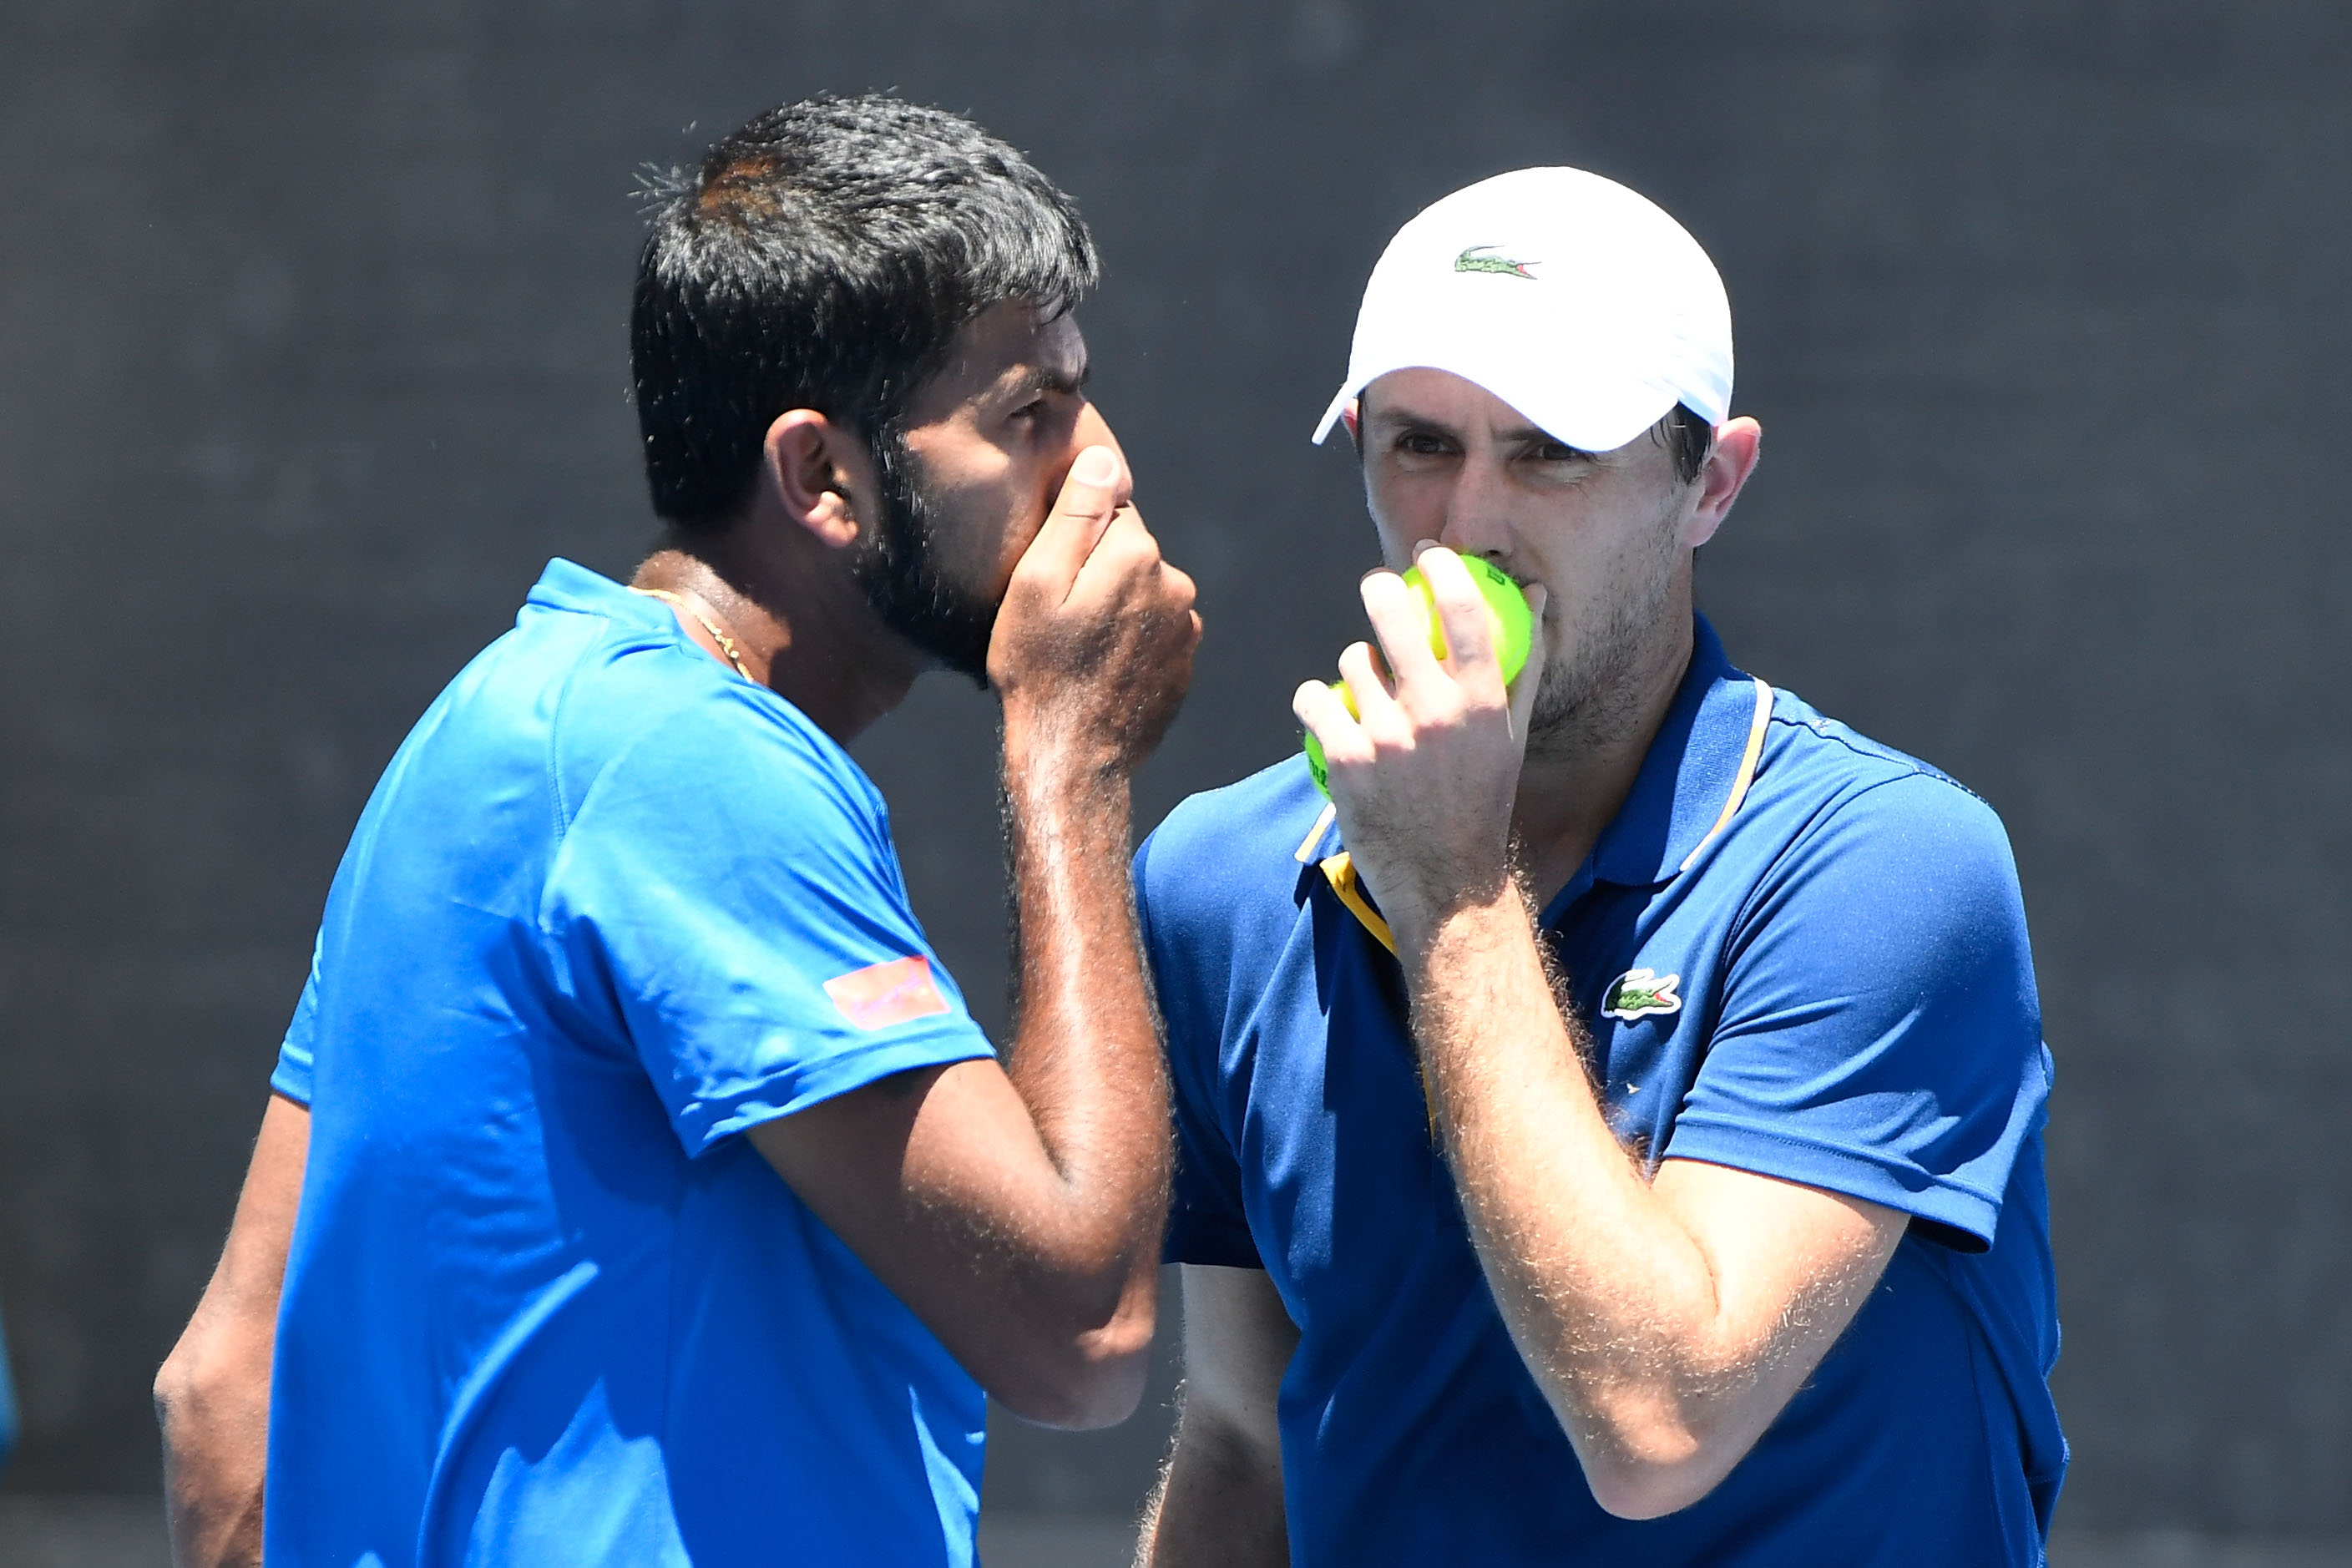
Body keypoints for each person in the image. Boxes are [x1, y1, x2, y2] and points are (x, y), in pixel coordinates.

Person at [151, 94, 1199, 1567]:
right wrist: (1070, 758)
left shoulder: (503, 727)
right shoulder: (685, 768)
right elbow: (1081, 1331)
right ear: (820, 478)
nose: (1100, 472)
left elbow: (221, 1397)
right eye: (1028, 413)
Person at [1135, 168, 2062, 1565]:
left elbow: (1656, 1423)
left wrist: (1447, 886)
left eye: (1549, 452)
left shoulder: (1890, 867)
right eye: (1417, 444)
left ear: (1713, 483)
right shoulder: (1216, 877)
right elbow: (1241, 1434)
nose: (1468, 523)